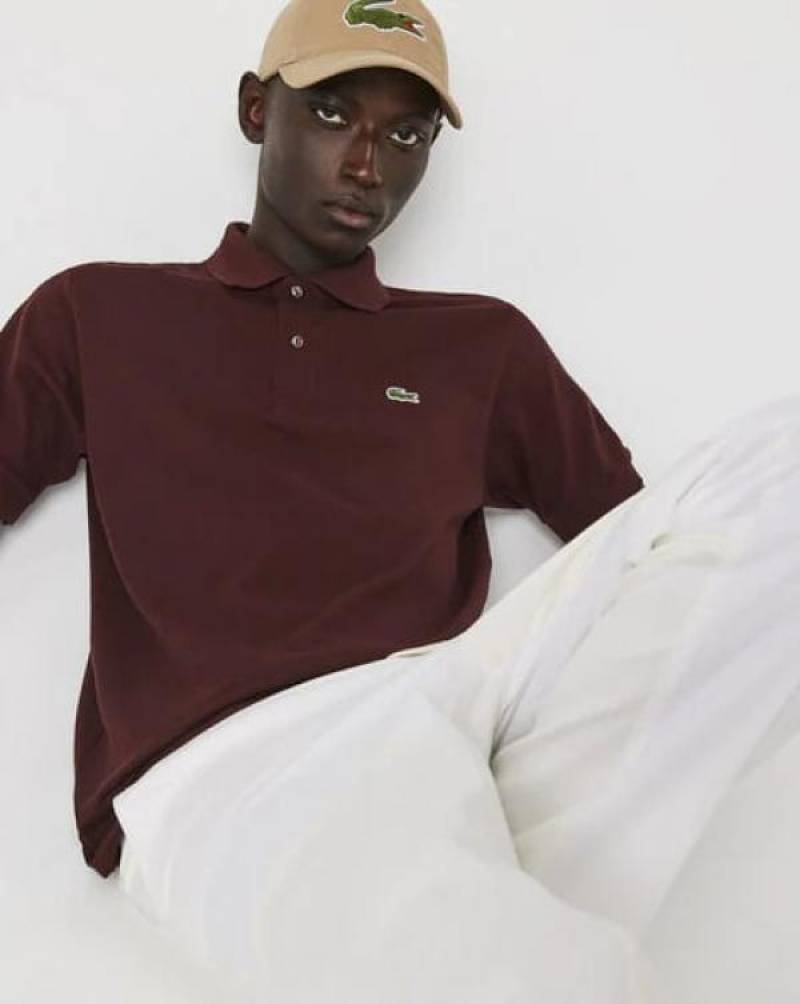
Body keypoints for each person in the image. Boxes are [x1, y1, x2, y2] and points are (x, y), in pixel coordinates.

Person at [0, 0, 643, 882]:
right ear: (255, 109)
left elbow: (641, 548)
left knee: (763, 473)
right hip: (197, 784)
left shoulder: (481, 348)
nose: (367, 166)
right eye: (334, 114)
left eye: (406, 136)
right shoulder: (99, 316)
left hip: (412, 765)